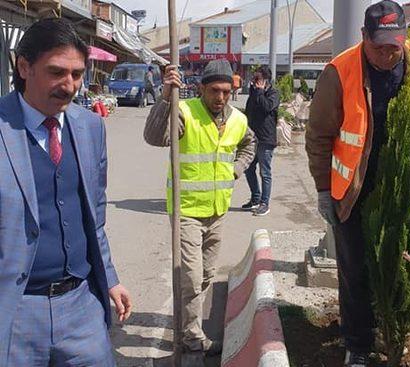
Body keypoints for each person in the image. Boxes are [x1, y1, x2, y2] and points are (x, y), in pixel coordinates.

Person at [305, 1, 410, 365]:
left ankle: (396, 332)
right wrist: (324, 190)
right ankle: (357, 345)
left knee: (405, 265)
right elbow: (319, 136)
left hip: (406, 185)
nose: (388, 54)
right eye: (379, 47)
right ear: (363, 37)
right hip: (355, 190)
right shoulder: (339, 72)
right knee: (356, 272)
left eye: (394, 46)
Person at [0, 18, 131, 365]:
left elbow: (95, 216)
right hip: (15, 312)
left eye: (77, 73)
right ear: (24, 67)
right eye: (57, 72)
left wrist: (111, 279)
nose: (69, 85)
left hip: (81, 305)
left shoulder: (89, 127)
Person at [143, 60, 256, 354]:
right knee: (191, 279)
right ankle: (192, 337)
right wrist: (167, 96)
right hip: (187, 211)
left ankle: (186, 323)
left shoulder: (238, 120)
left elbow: (249, 145)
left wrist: (236, 169)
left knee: (206, 275)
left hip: (218, 210)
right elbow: (155, 137)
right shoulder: (184, 111)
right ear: (202, 88)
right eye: (215, 91)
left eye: (226, 92)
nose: (221, 98)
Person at [242, 66, 280, 216]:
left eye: (257, 78)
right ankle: (255, 198)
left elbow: (267, 107)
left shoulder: (274, 93)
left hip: (266, 138)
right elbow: (249, 111)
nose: (254, 81)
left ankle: (265, 203)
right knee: (249, 169)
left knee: (265, 172)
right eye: (254, 78)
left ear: (265, 80)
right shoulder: (254, 92)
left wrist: (259, 91)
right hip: (253, 138)